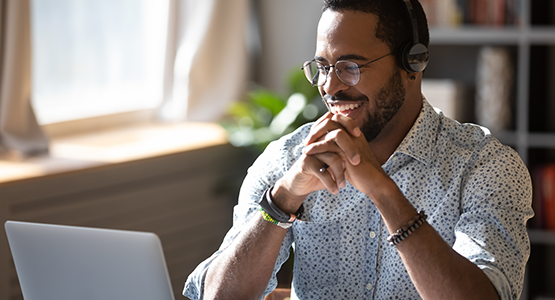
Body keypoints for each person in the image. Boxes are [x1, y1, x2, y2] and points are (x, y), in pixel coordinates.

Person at [183, 0, 534, 299]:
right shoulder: (288, 159)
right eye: (322, 67)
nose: (329, 86)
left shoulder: (486, 166)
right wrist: (283, 199)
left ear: (413, 63)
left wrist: (383, 191)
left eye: (350, 67)